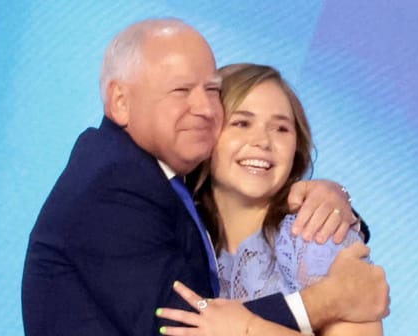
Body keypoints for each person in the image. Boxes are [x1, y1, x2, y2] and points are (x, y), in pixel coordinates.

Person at [21, 18, 389, 335]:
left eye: (211, 91)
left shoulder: (314, 238)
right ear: (120, 100)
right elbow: (182, 326)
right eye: (241, 122)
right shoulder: (120, 185)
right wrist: (325, 301)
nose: (201, 109)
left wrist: (335, 197)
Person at [156, 64, 383, 335]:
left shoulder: (314, 236)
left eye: (281, 129)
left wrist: (248, 329)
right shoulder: (177, 233)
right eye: (242, 123)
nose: (262, 141)